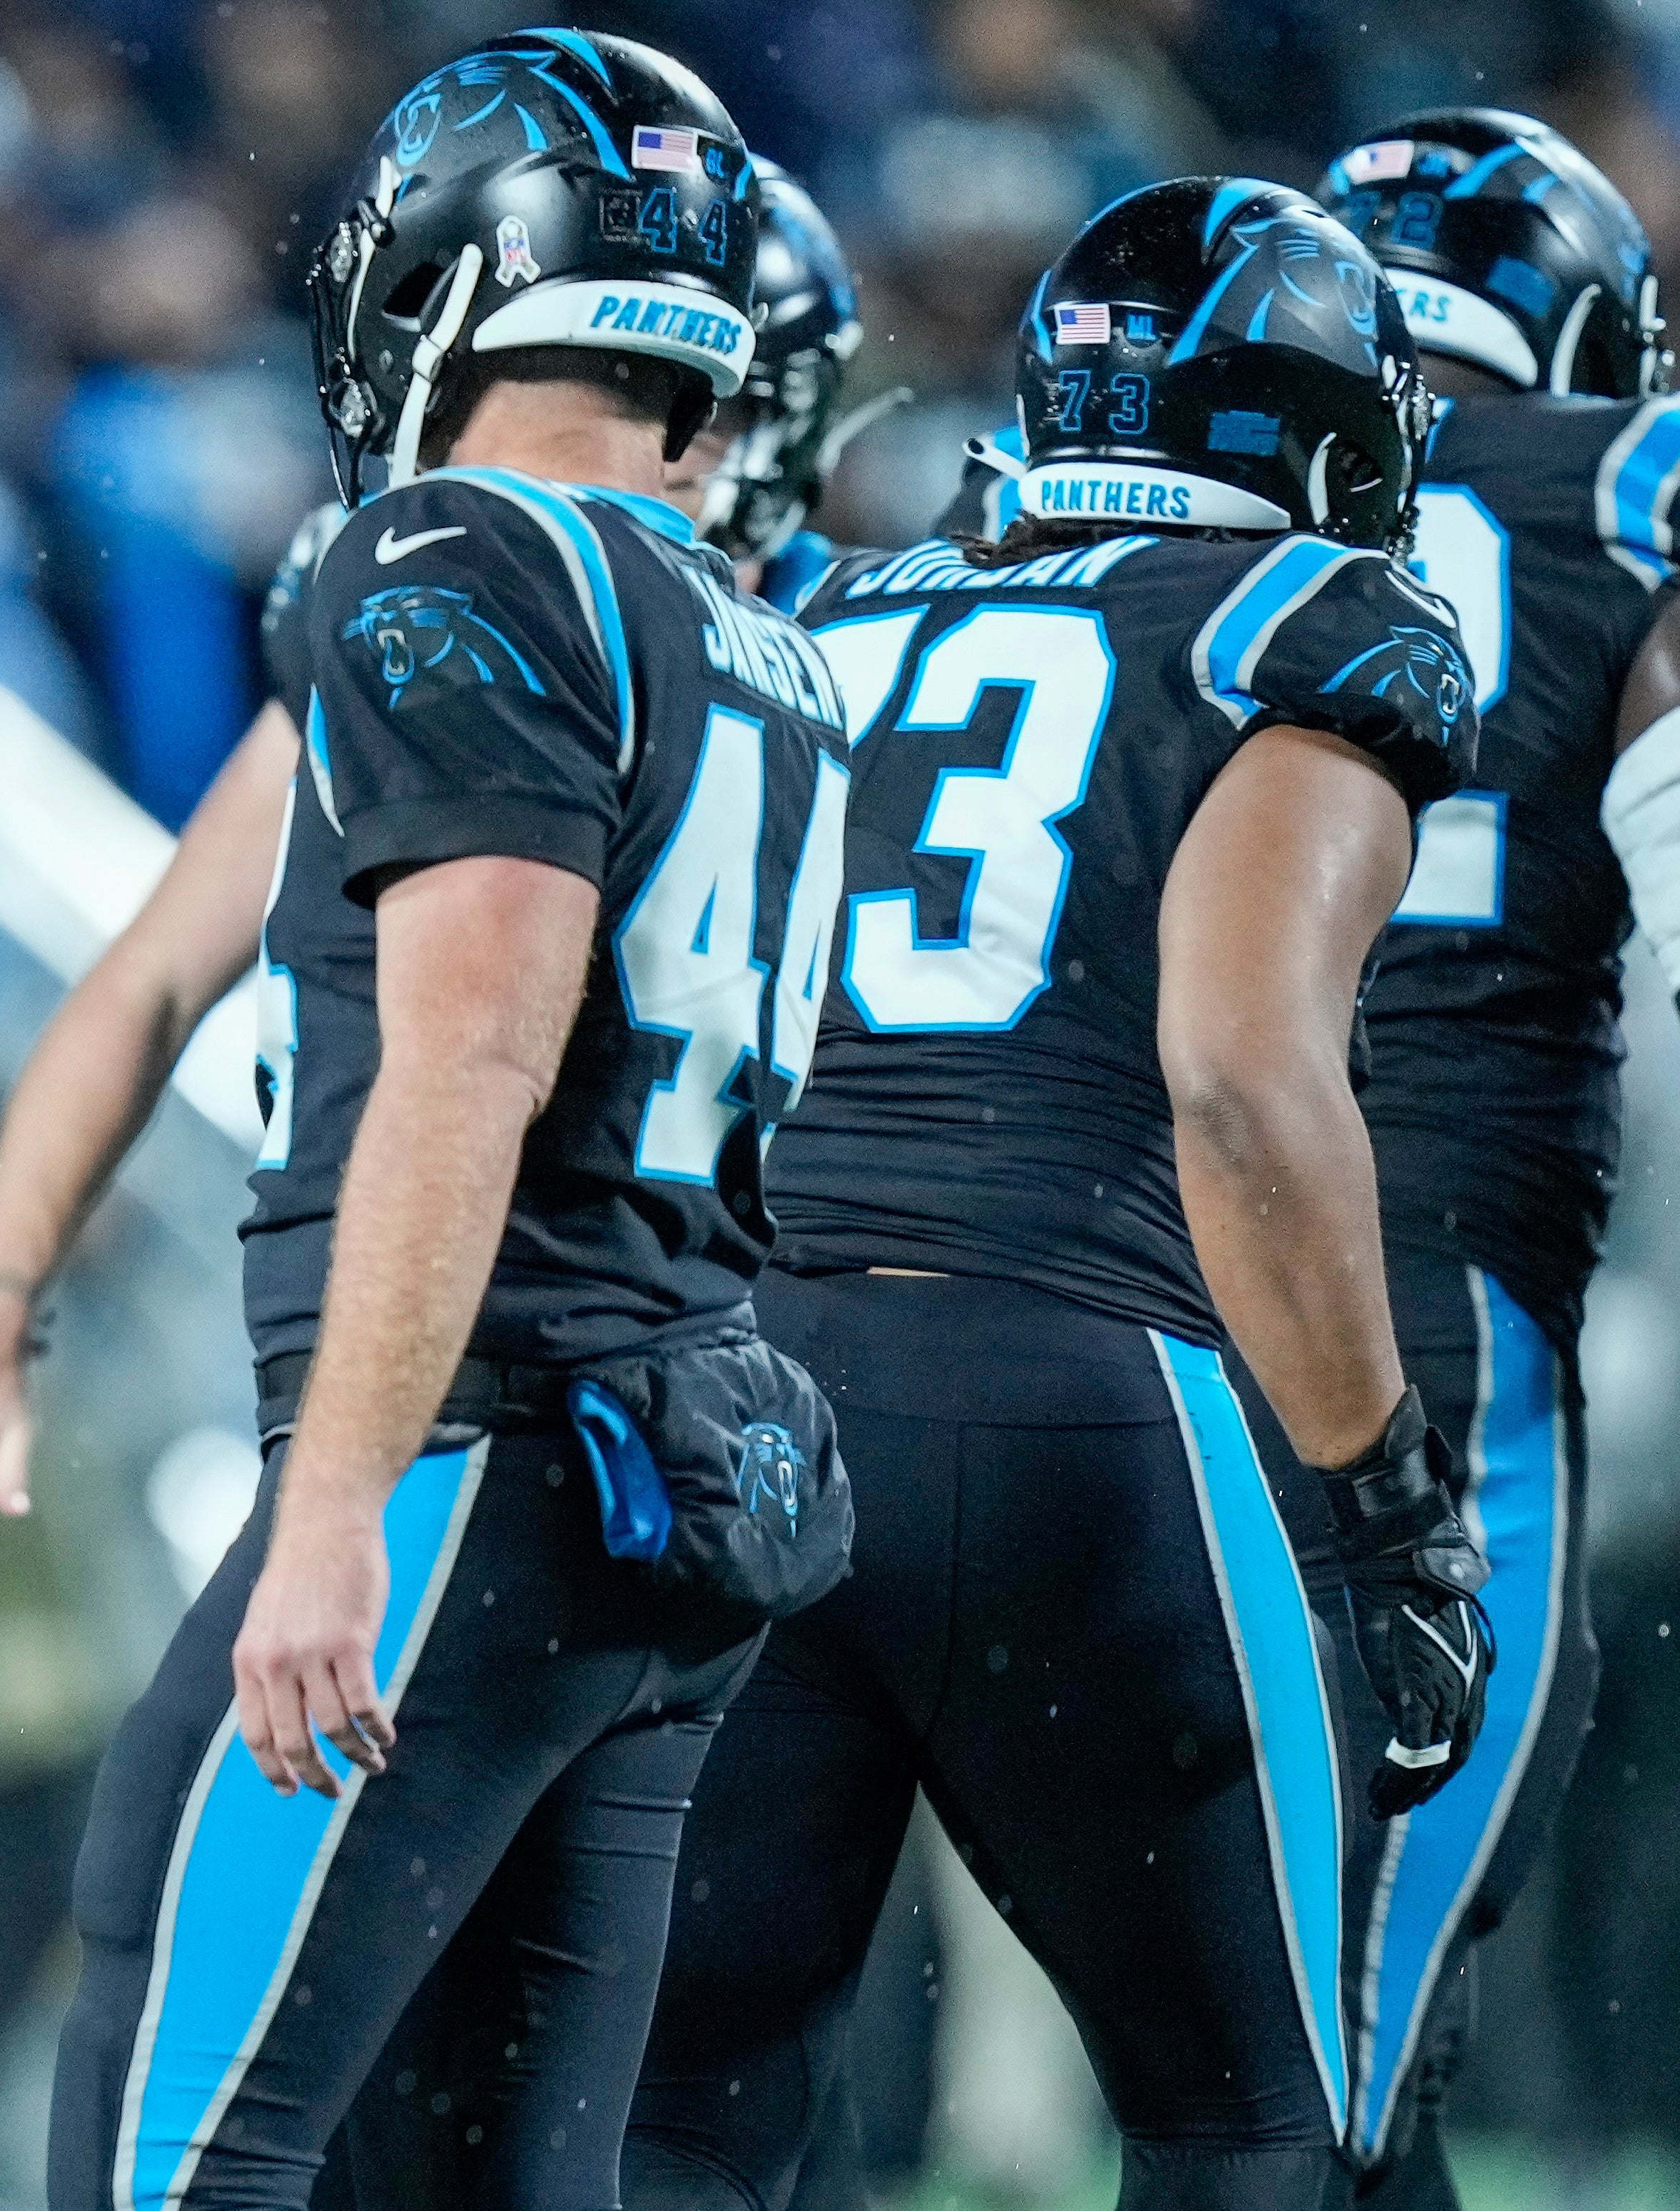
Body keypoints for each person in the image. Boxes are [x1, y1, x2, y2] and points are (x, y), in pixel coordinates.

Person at [623, 179, 1497, 2211]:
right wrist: (1379, 1496)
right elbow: (1238, 1077)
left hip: (745, 1392)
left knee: (677, 2129)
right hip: (1067, 1399)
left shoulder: (825, 608)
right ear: (1313, 423)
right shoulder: (1305, 626)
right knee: (1256, 2124)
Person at [44, 35, 858, 2211]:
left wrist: (334, 1516)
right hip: (670, 1466)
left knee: (175, 2148)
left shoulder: (460, 551)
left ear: (445, 274)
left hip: (477, 1460)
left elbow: (470, 1066)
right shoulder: (752, 623)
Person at [1288, 108, 1671, 2207]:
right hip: (1418, 1287)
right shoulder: (1617, 491)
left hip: (1078, 1287)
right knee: (1342, 2056)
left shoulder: (1154, 505)